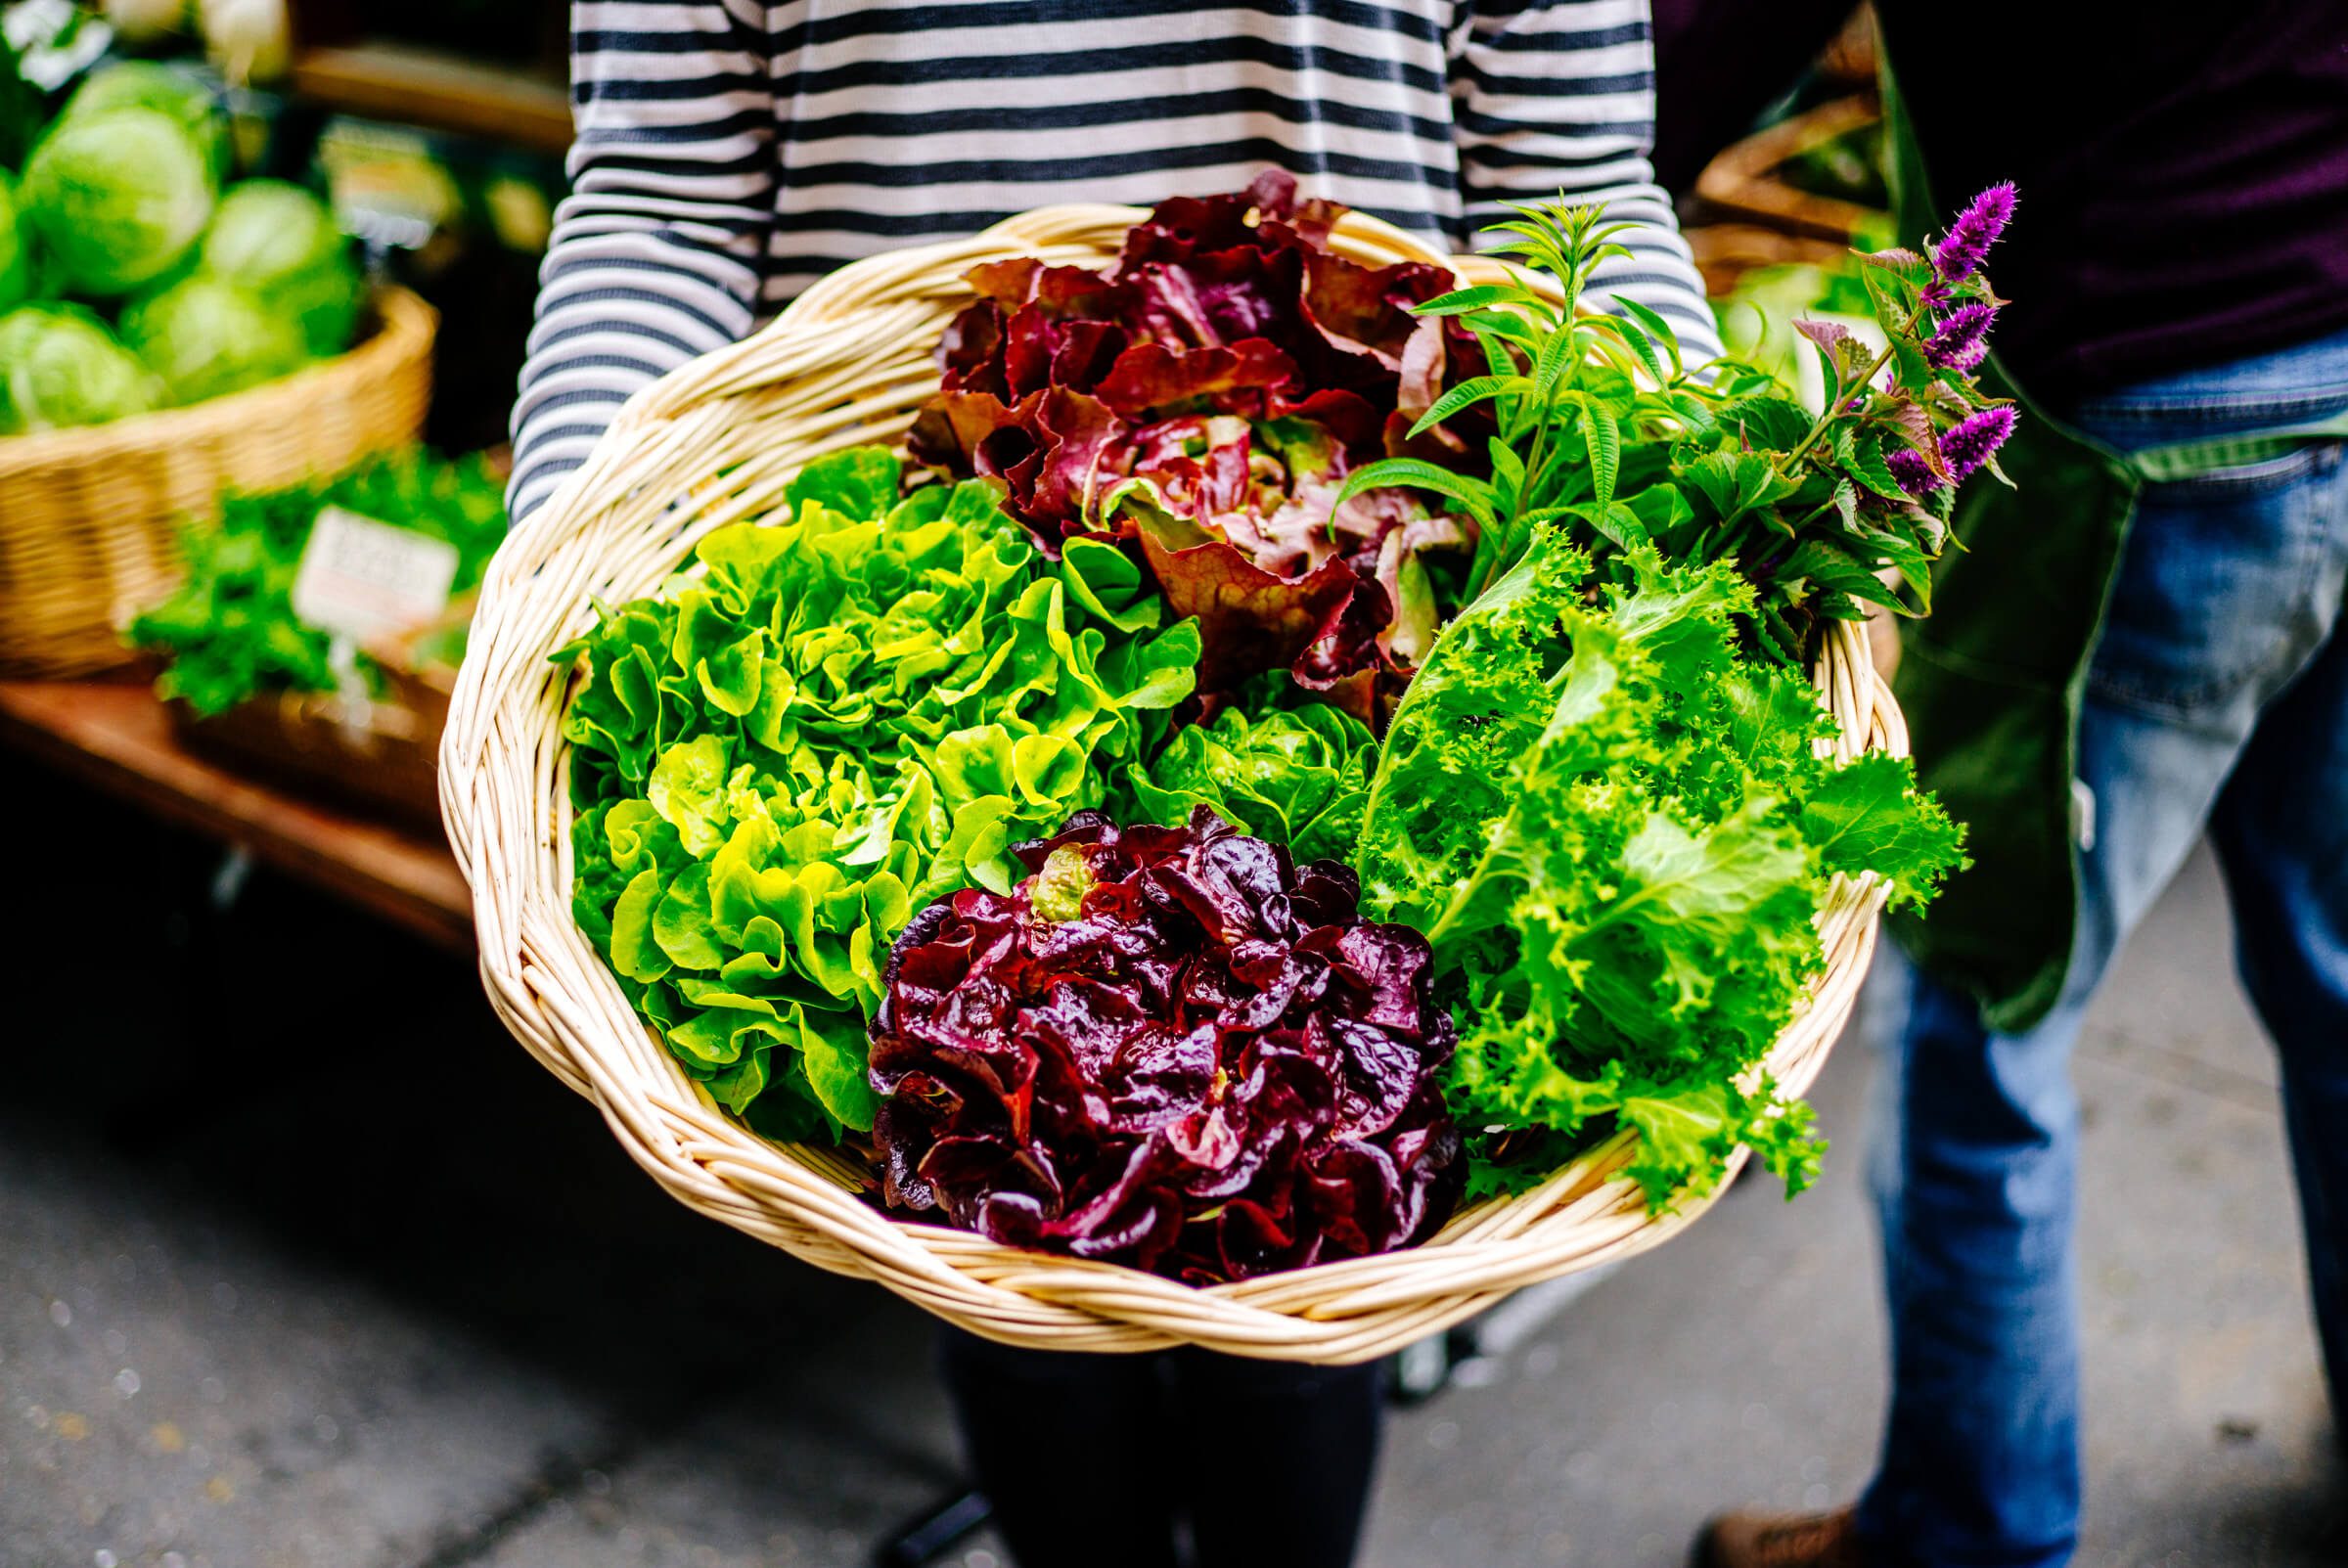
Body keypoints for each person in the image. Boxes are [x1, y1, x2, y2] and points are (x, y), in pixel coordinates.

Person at [508, 6, 1721, 1566]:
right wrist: (569, 557)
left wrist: (1704, 558)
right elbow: (662, 198)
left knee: (1318, 1213)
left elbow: (1581, 186)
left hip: (1400, 625)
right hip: (921, 523)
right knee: (1007, 1200)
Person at [1694, 5, 2348, 1567]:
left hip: (2162, 419)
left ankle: (1967, 1534)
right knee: (2336, 966)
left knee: (1985, 1024)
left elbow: (1690, 52)